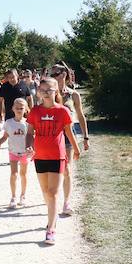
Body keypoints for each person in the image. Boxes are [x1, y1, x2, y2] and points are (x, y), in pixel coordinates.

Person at [26, 78, 81, 245]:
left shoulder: (63, 111)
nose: (45, 93)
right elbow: (29, 133)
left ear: (56, 91)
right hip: (39, 156)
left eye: (49, 90)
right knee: (45, 192)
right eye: (42, 90)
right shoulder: (34, 111)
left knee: (53, 193)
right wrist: (28, 145)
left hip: (58, 155)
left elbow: (69, 132)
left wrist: (76, 148)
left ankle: (51, 229)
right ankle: (52, 215)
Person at [51, 63, 90, 216]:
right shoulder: (49, 93)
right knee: (53, 169)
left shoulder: (73, 95)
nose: (52, 77)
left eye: (55, 74)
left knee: (67, 169)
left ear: (64, 75)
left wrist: (85, 137)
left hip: (68, 133)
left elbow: (80, 116)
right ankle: (51, 196)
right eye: (51, 74)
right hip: (51, 134)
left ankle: (66, 203)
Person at [0, 97, 30, 208]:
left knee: (23, 174)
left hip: (24, 153)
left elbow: (31, 137)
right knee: (14, 174)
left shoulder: (28, 123)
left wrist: (32, 148)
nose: (19, 110)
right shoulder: (9, 123)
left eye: (21, 108)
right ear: (12, 109)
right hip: (13, 152)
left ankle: (23, 196)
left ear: (26, 110)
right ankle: (13, 197)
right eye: (17, 108)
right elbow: (5, 136)